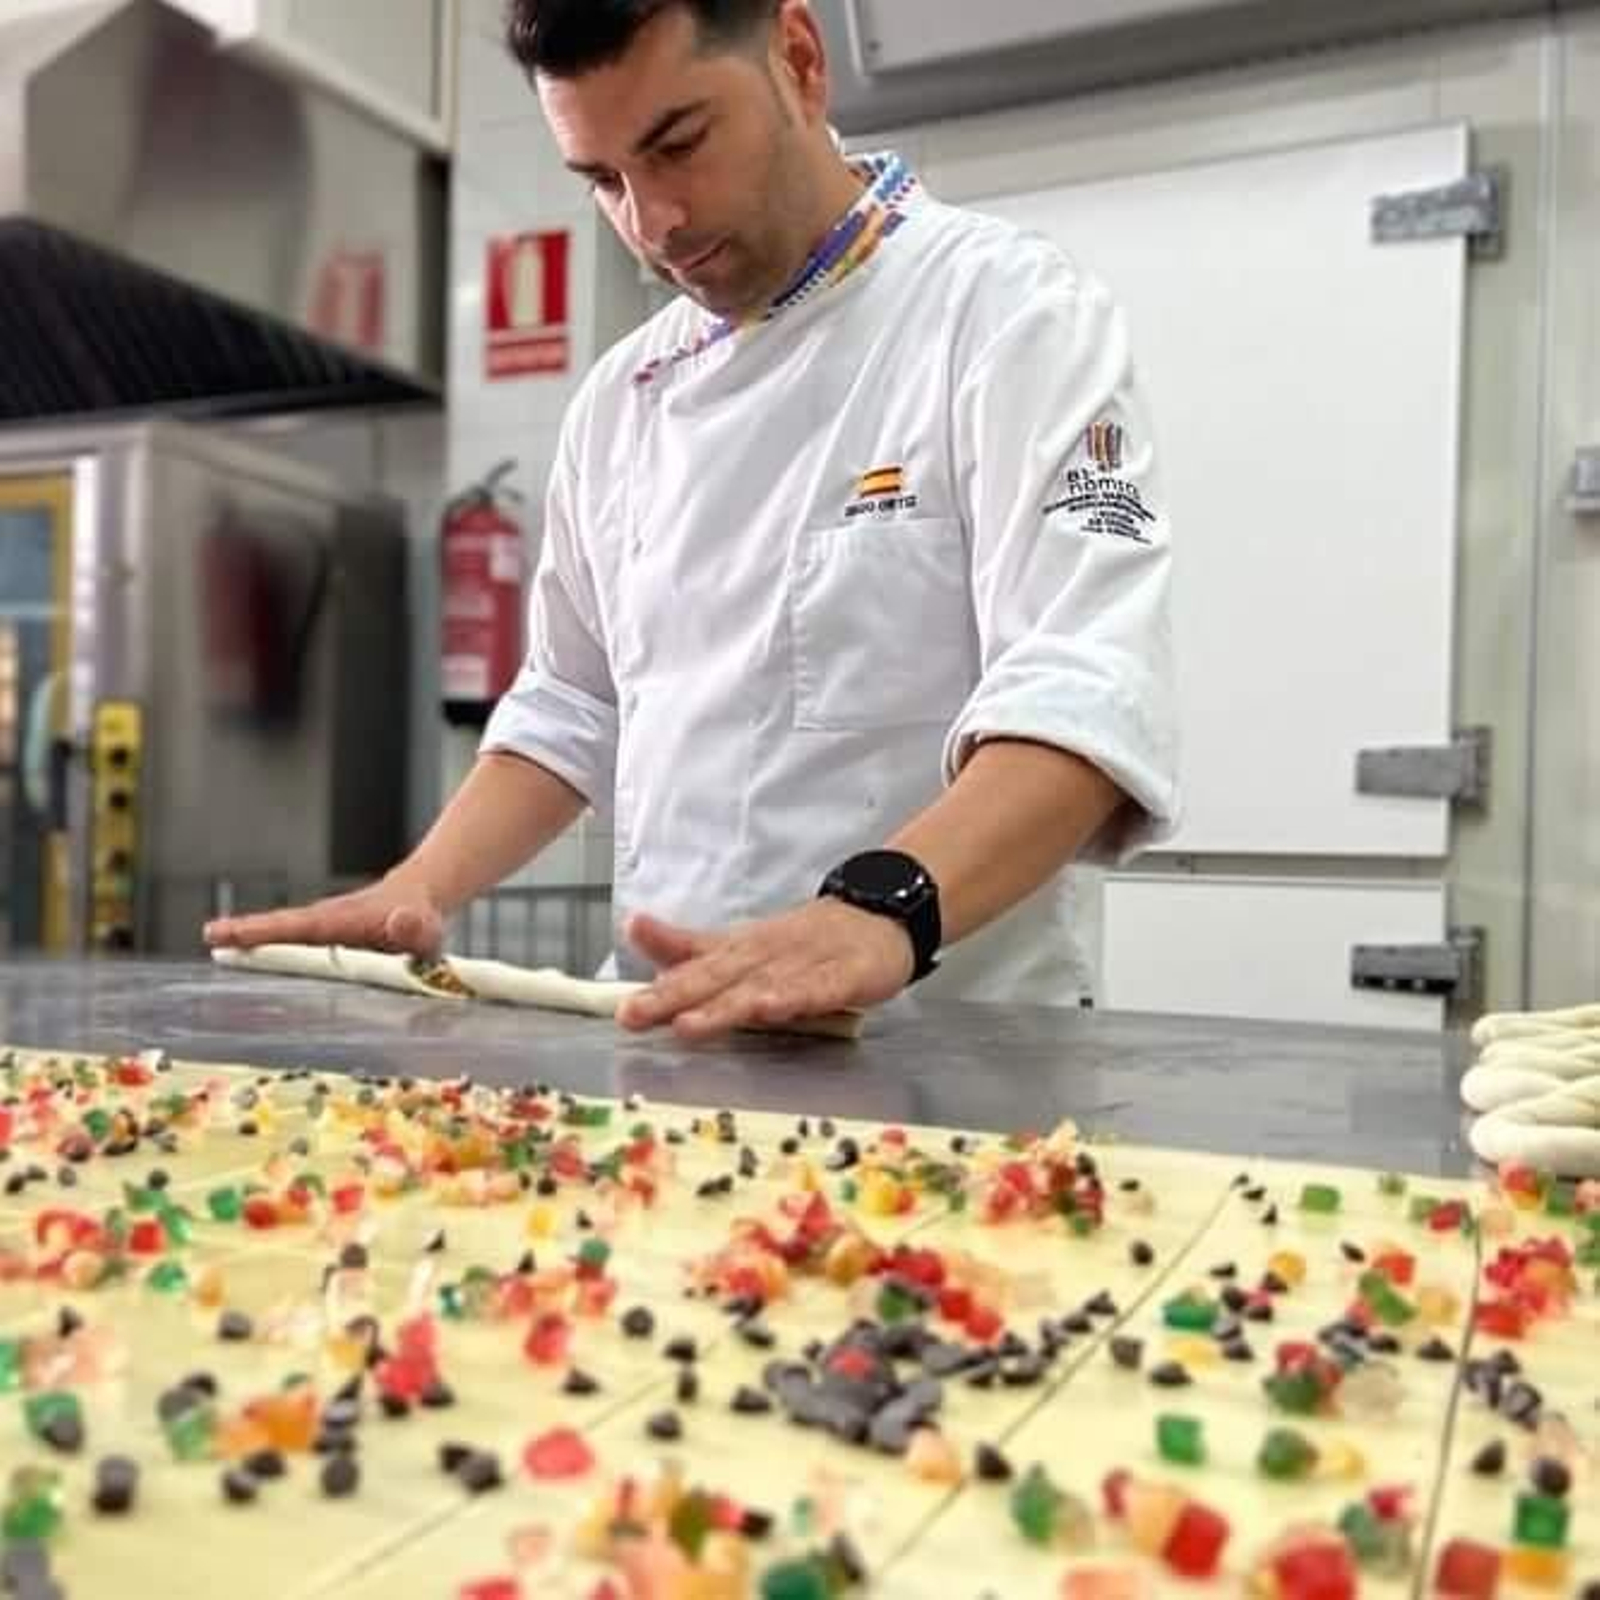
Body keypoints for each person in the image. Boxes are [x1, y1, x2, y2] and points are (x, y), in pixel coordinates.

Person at [205, 0, 1179, 1040]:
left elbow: (1081, 687)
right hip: (669, 1038)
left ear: (798, 58)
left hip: (946, 1044)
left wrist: (880, 911)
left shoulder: (1007, 314)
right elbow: (571, 702)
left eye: (678, 144)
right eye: (604, 180)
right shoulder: (623, 395)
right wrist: (416, 888)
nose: (652, 223)